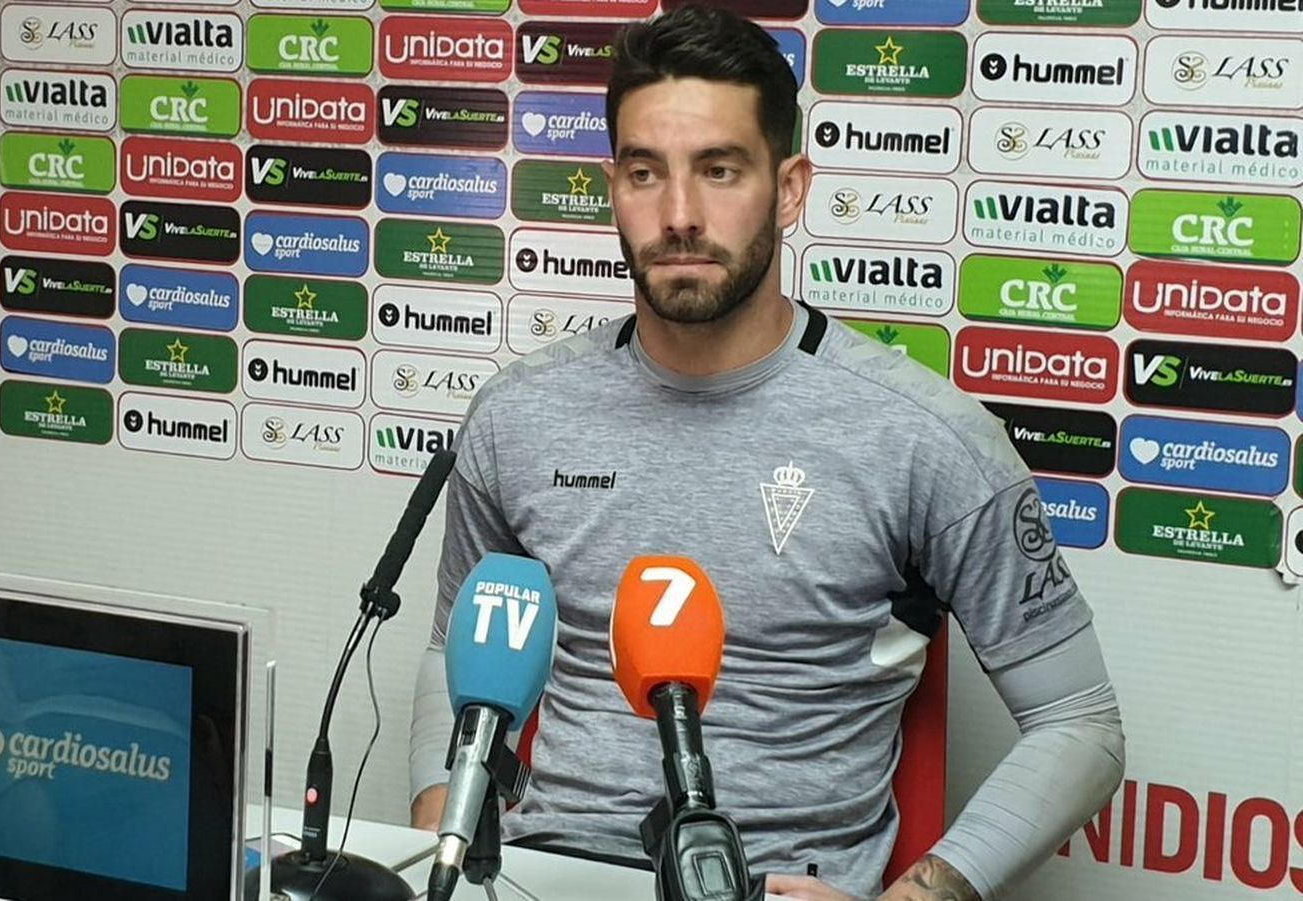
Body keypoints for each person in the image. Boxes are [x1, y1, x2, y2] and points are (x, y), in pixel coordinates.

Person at [406, 7, 1125, 899]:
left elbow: (1079, 723)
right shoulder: (518, 416)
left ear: (788, 188)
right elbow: (455, 654)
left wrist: (916, 897)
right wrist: (446, 830)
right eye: (644, 172)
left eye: (719, 169)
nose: (678, 215)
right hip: (542, 873)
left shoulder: (923, 435)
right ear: (611, 186)